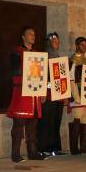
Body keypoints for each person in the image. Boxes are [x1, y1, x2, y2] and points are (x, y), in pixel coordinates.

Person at [7, 27, 44, 162]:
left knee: (32, 125)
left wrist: (42, 91)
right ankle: (15, 154)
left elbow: (40, 75)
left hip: (35, 94)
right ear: (23, 37)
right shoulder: (17, 52)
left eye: (34, 34)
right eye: (30, 34)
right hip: (22, 92)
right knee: (19, 124)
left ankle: (32, 152)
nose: (33, 36)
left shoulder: (37, 54)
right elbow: (15, 71)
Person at [37, 32, 67, 156]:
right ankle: (43, 148)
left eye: (58, 41)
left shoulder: (59, 58)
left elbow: (62, 79)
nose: (57, 43)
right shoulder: (44, 57)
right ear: (49, 42)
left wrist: (65, 94)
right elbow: (41, 77)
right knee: (46, 123)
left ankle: (55, 148)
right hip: (48, 95)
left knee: (56, 122)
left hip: (58, 96)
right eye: (54, 41)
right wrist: (43, 91)